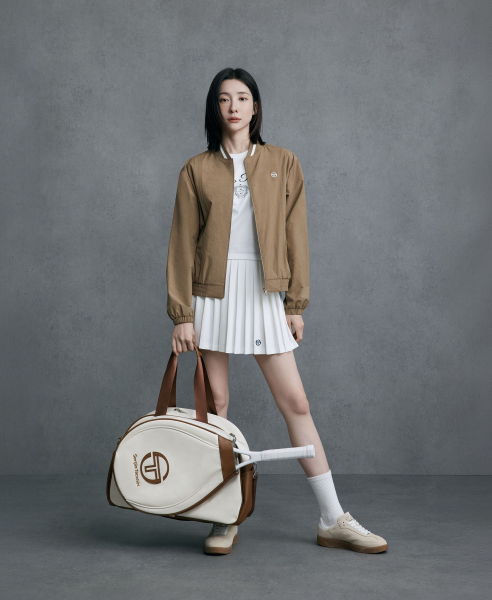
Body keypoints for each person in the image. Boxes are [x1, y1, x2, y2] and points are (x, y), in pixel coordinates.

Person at [166, 67, 388, 555]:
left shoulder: (284, 162)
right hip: (211, 295)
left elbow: (295, 234)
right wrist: (182, 313)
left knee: (297, 404)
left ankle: (332, 518)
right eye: (224, 99)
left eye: (242, 97)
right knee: (216, 409)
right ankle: (224, 518)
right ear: (215, 109)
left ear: (256, 107)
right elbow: (182, 243)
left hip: (266, 294)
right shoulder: (195, 169)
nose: (234, 106)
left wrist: (295, 303)